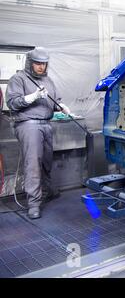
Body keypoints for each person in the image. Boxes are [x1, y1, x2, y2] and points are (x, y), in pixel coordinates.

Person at [6, 47, 71, 219]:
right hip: (28, 124)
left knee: (46, 162)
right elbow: (12, 103)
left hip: (46, 125)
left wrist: (61, 107)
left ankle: (47, 191)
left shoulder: (48, 80)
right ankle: (34, 204)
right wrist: (32, 97)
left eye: (44, 64)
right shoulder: (18, 79)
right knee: (33, 164)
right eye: (38, 64)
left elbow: (55, 101)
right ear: (30, 63)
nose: (41, 67)